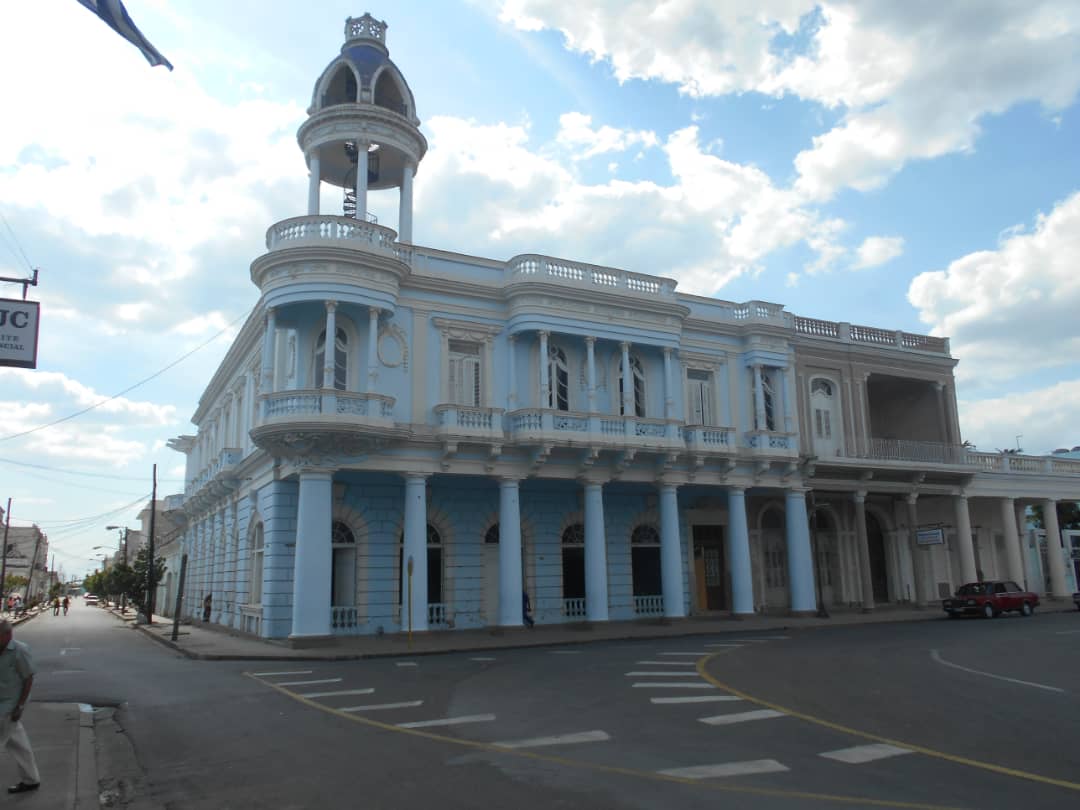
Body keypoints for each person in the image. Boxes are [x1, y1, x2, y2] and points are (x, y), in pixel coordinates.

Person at [0, 619, 41, 794]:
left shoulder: (19, 651)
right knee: (18, 744)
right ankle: (31, 779)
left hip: (8, 707)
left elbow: (28, 679)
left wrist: (20, 706)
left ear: (8, 635)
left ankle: (31, 779)